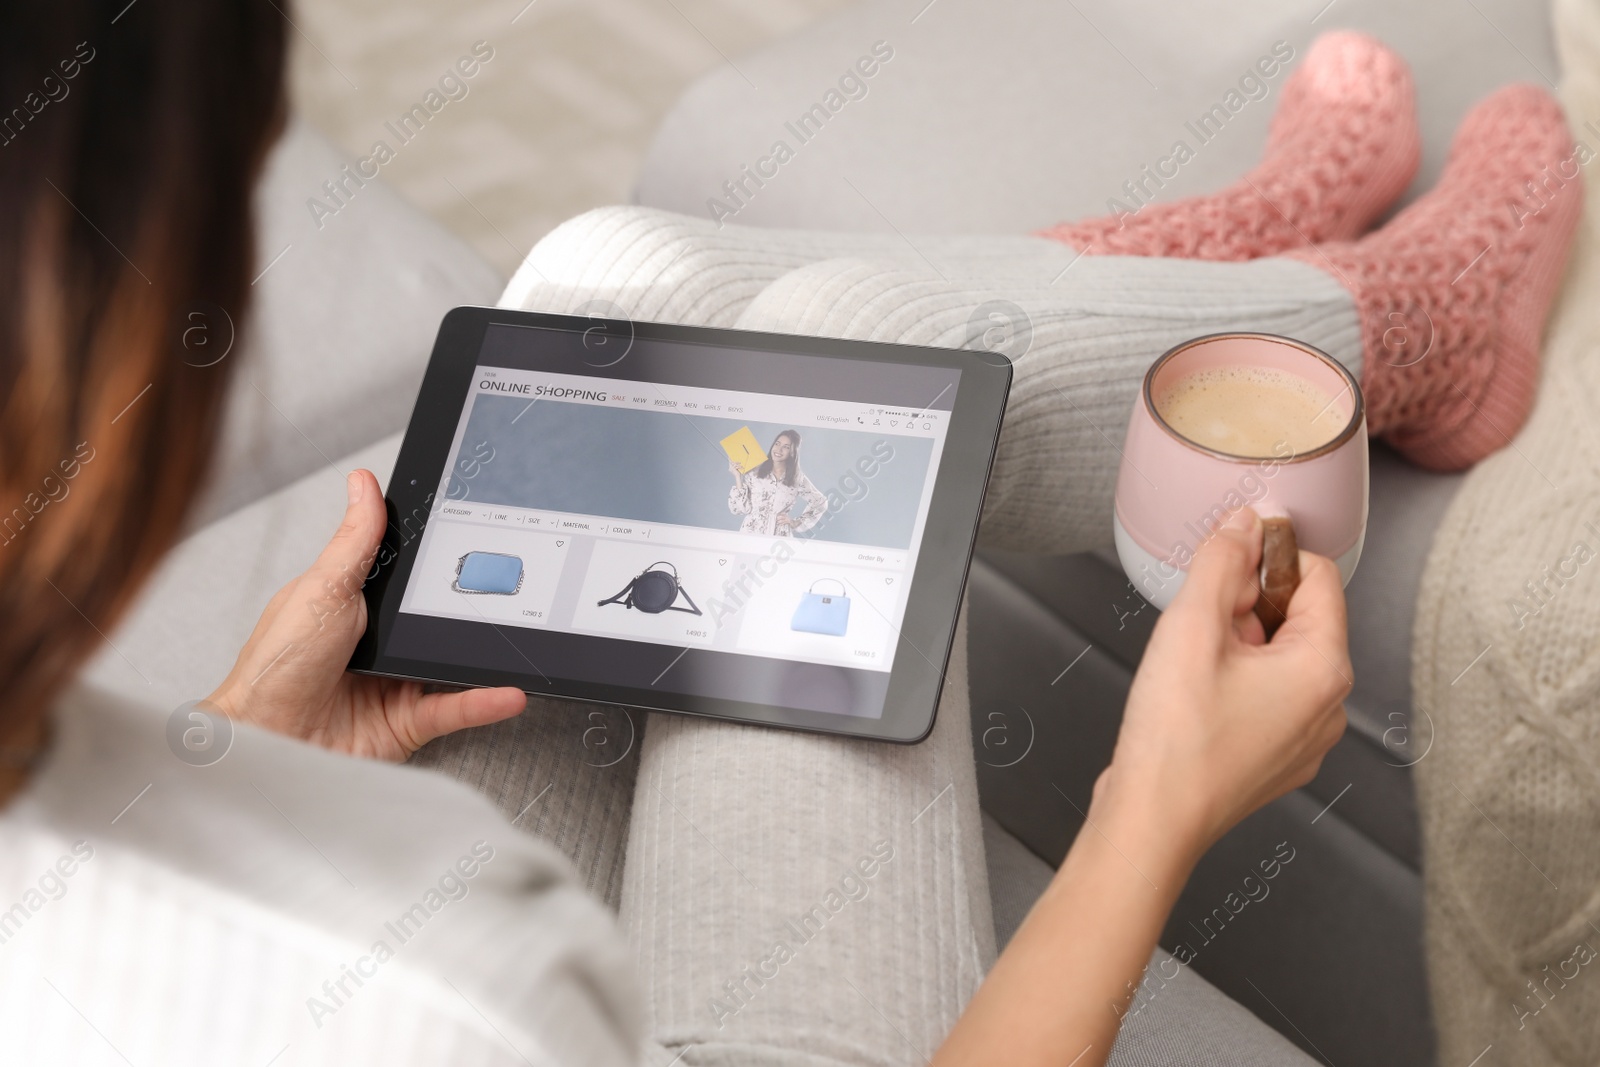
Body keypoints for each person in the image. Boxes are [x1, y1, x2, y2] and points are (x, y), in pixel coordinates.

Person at [0, 12, 1579, 1067]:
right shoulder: (458, 995)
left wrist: (239, 747)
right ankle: (1374, 317)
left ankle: (1210, 274)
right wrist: (1152, 805)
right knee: (854, 333)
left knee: (599, 281)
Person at [727, 428, 827, 536]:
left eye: (786, 447)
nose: (779, 449)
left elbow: (820, 502)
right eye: (777, 444)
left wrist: (795, 523)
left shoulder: (797, 478)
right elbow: (737, 509)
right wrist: (738, 477)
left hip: (779, 535)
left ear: (792, 452)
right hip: (751, 533)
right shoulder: (755, 471)